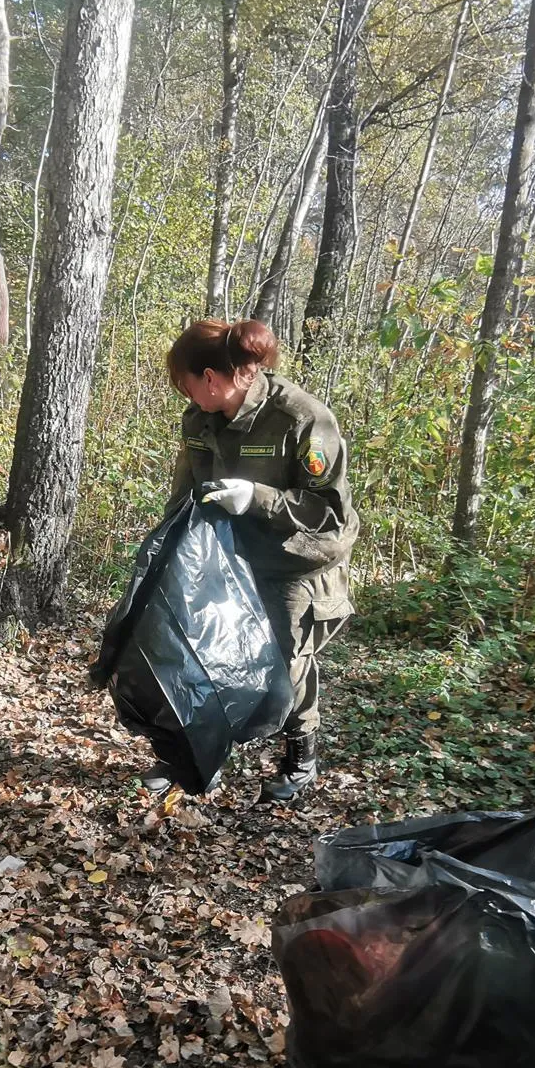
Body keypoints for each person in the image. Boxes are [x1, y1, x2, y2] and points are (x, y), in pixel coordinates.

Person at [152, 318, 358, 804]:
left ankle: (300, 757)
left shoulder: (301, 419)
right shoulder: (199, 418)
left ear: (211, 377)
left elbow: (329, 514)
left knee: (285, 667)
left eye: (185, 382)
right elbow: (185, 490)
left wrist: (257, 498)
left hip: (297, 564)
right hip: (228, 559)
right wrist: (166, 546)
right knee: (203, 653)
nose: (183, 393)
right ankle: (197, 755)